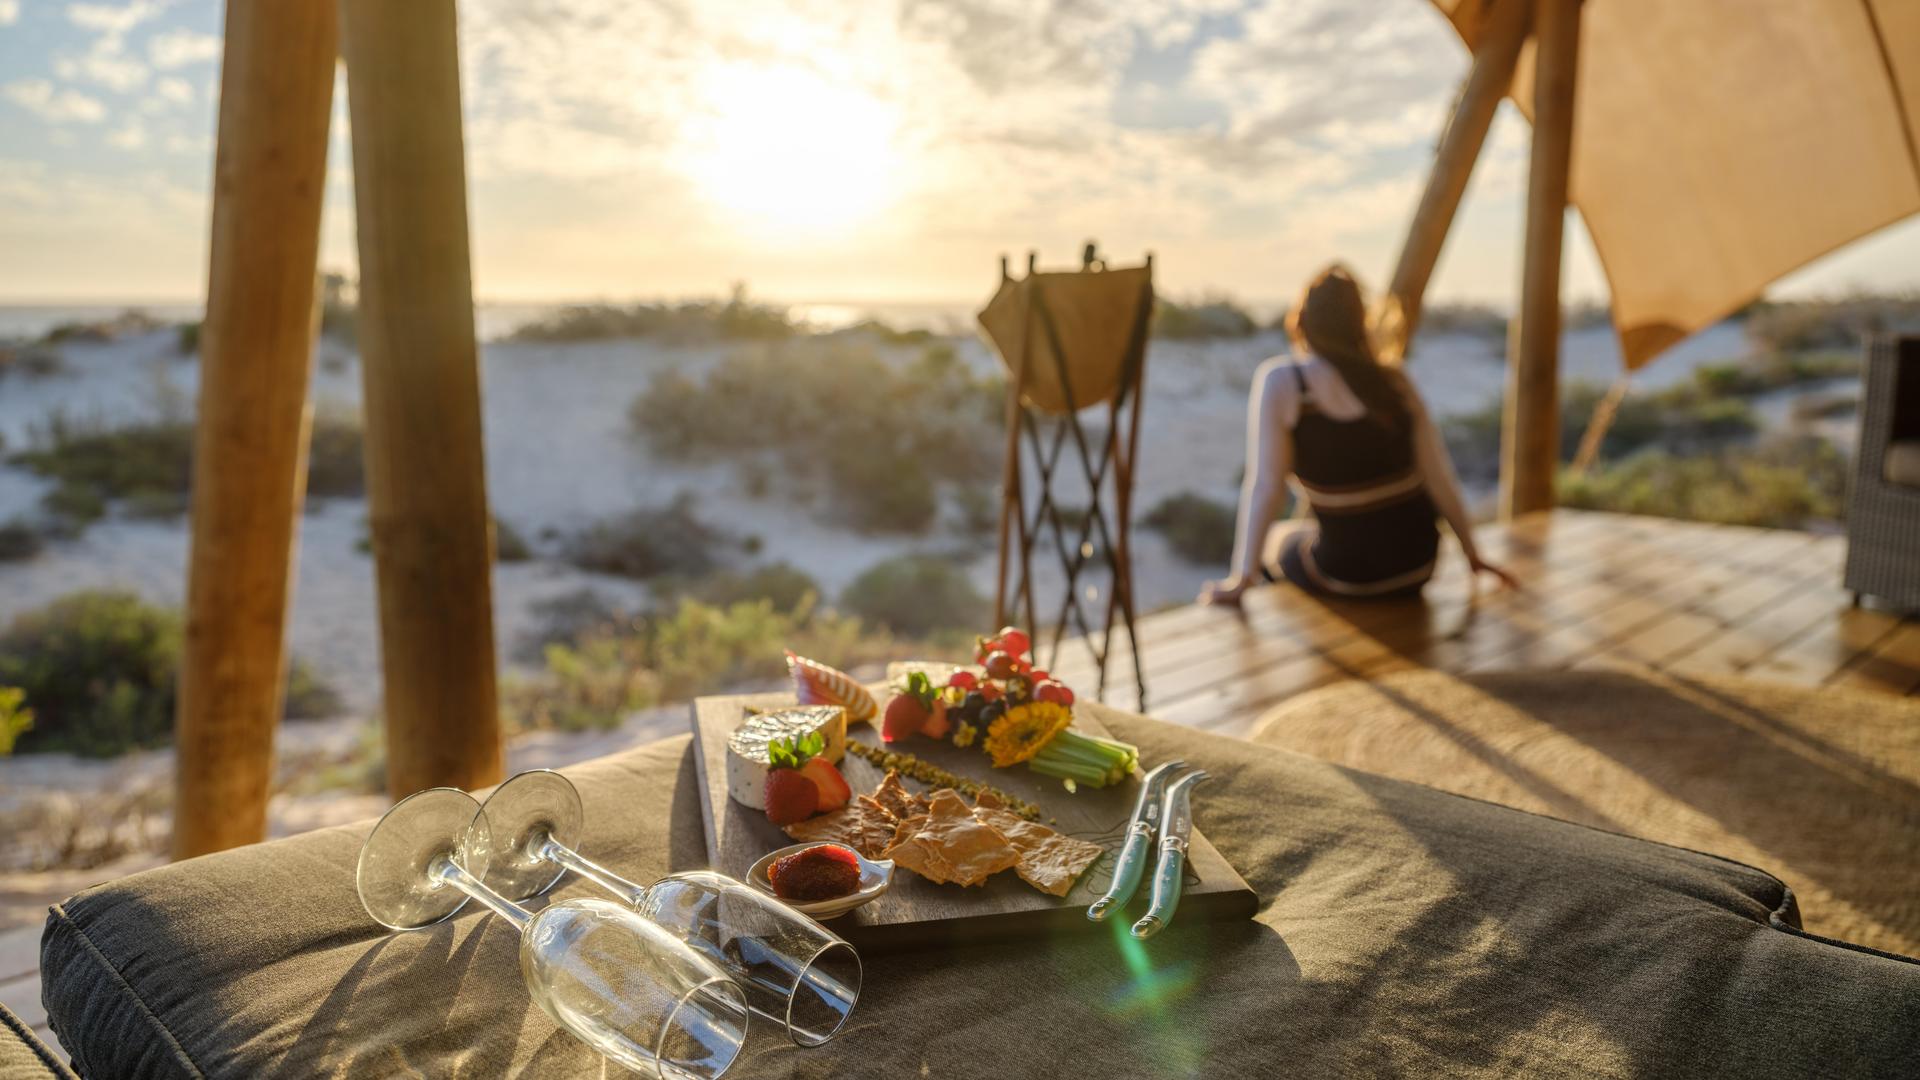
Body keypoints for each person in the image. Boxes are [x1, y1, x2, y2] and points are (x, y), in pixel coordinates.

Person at [1200, 265, 1516, 606]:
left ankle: (1279, 615)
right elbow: (1438, 476)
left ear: (1302, 321)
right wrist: (1473, 556)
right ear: (1361, 324)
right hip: (1419, 564)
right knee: (1315, 531)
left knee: (1277, 538)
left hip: (1349, 574)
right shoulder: (1394, 381)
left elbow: (1266, 486)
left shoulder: (1285, 381)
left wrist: (1240, 578)